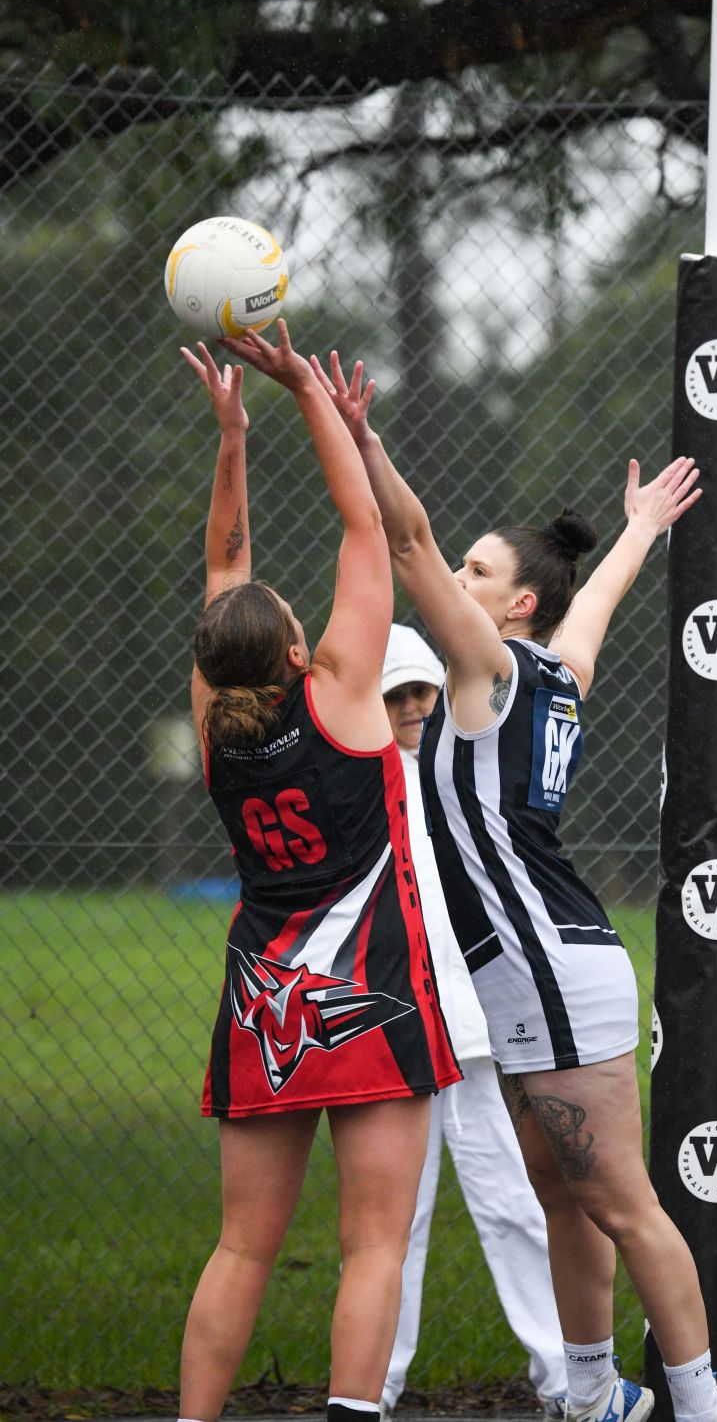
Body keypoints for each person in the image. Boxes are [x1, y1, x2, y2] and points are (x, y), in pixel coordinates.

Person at [307, 346, 717, 1422]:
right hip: (524, 970)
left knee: (617, 1197)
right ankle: (597, 1392)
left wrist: (359, 435)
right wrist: (642, 527)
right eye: (458, 569)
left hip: (546, 967)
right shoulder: (557, 669)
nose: (451, 580)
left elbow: (404, 539)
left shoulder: (491, 670)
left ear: (510, 607)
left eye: (474, 574)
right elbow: (594, 599)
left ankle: (703, 1404)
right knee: (564, 1196)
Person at [177, 321, 461, 1422]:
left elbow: (224, 570)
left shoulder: (218, 731)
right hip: (374, 994)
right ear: (300, 653)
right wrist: (301, 392)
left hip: (264, 1000)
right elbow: (362, 525)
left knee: (242, 1249)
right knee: (373, 1242)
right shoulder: (345, 701)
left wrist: (230, 440)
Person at [379, 623, 567, 1418]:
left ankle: (566, 1378)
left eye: (424, 689)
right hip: (398, 1033)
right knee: (395, 1223)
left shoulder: (458, 779)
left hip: (477, 1033)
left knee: (515, 1205)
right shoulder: (361, 785)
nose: (416, 706)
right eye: (397, 695)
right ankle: (372, 1387)